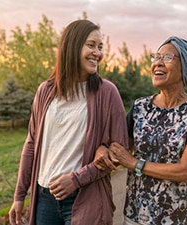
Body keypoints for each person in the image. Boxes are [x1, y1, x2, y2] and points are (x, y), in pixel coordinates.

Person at [8, 19, 128, 225]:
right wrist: (19, 195)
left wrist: (76, 179)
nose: (98, 53)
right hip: (44, 198)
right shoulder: (45, 91)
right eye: (91, 45)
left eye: (100, 47)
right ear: (71, 46)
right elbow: (31, 144)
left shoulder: (107, 92)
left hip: (85, 197)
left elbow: (119, 153)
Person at [109, 36, 187, 225]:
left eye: (167, 58)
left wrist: (135, 163)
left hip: (181, 218)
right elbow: (118, 149)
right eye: (156, 57)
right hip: (136, 216)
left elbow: (186, 172)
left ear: (186, 67)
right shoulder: (140, 107)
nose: (157, 63)